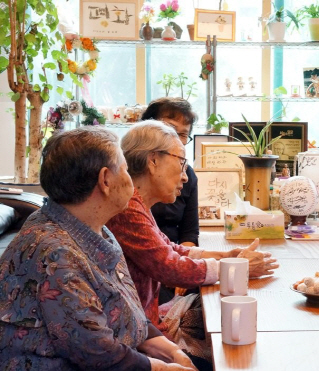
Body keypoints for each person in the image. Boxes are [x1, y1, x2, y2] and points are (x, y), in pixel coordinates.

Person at [0, 127, 195, 370]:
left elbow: (126, 308)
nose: (131, 180)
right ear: (105, 180)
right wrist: (163, 367)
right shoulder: (54, 255)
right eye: (125, 169)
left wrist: (169, 349)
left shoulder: (95, 228)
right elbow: (96, 352)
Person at [106, 121, 279, 367]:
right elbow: (170, 267)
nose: (186, 176)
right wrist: (235, 266)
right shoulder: (128, 209)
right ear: (153, 161)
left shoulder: (137, 203)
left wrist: (226, 256)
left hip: (147, 324)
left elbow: (170, 248)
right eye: (181, 162)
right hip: (141, 335)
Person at [143, 97, 199, 246]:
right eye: (170, 130)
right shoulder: (127, 172)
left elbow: (190, 234)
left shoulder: (188, 175)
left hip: (173, 256)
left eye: (183, 134)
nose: (176, 139)